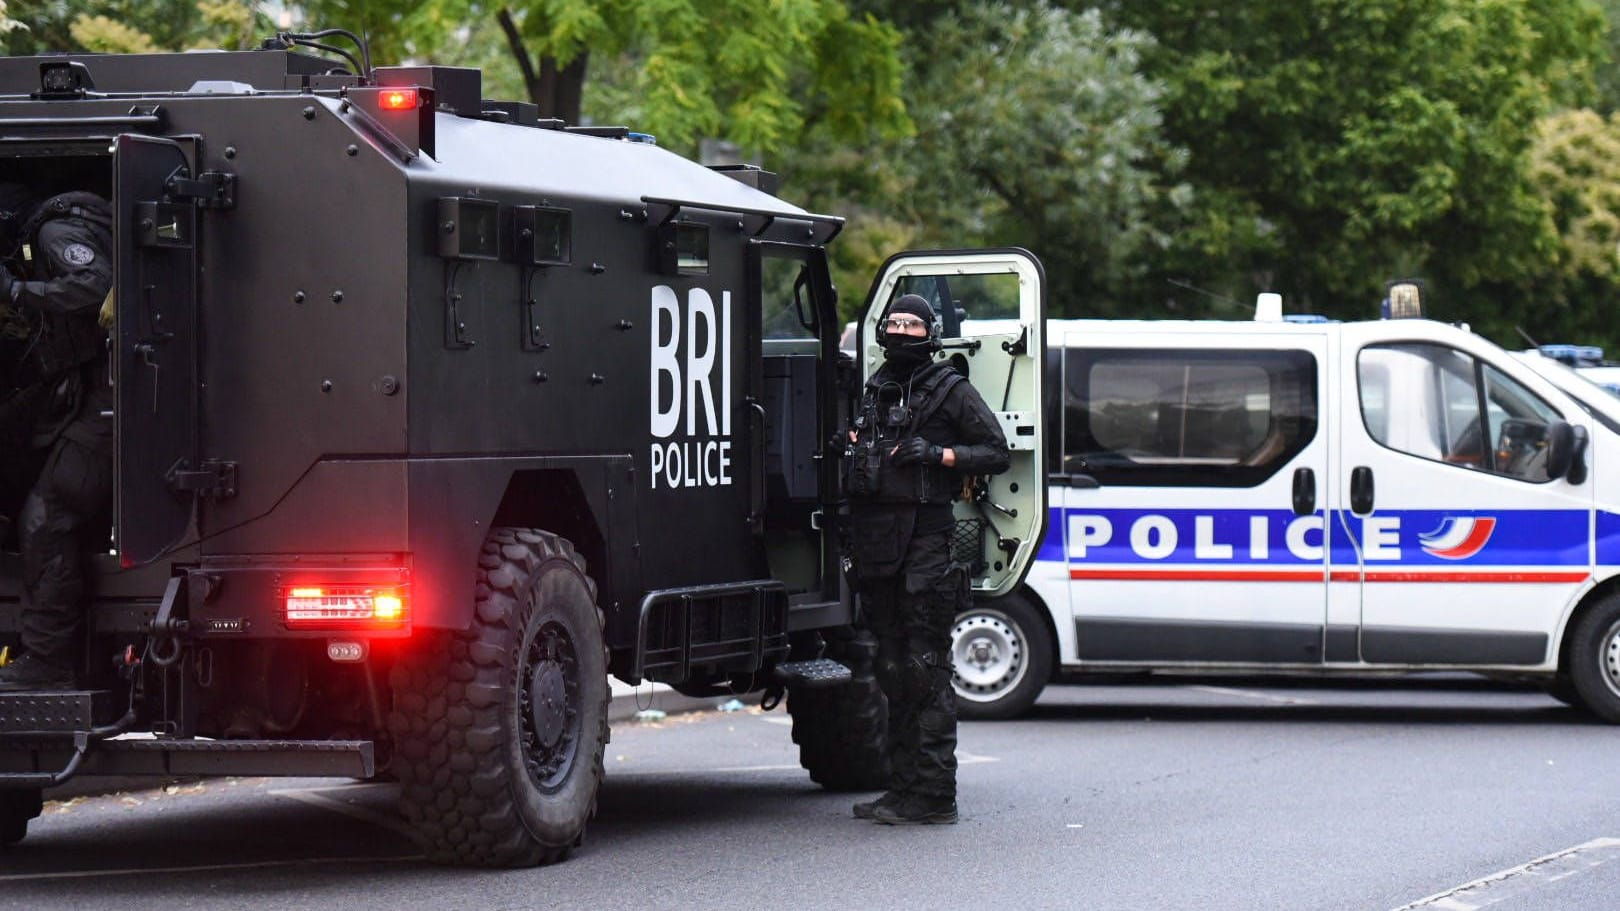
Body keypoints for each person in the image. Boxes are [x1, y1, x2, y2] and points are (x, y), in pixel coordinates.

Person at [841, 292, 1009, 824]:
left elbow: (997, 451)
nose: (900, 330)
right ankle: (901, 789)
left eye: (912, 324)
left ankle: (935, 796)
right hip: (876, 543)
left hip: (926, 543)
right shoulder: (873, 389)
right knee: (890, 667)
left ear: (930, 333)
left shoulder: (950, 389)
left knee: (925, 666)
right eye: (893, 322)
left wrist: (940, 455)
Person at [0, 185, 115, 692]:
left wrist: (18, 293)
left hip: (107, 400)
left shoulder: (53, 232)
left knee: (47, 518)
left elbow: (96, 283)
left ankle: (47, 662)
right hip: (90, 395)